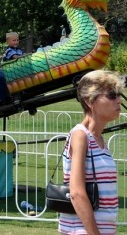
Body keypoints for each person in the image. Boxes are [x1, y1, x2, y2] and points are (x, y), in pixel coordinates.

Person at [58, 70, 123, 235]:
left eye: (119, 94)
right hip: (82, 230)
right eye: (111, 95)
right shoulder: (80, 135)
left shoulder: (99, 139)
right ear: (89, 100)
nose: (119, 100)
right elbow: (77, 193)